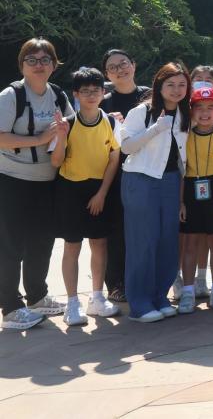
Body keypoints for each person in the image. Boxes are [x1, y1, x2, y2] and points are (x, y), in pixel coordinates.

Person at [0, 38, 74, 329]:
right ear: (22, 65)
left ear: (54, 65)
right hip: (12, 179)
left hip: (47, 179)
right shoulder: (11, 95)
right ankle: (10, 307)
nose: (39, 65)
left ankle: (37, 297)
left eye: (45, 60)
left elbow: (72, 129)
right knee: (11, 245)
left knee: (41, 242)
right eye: (32, 60)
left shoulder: (57, 95)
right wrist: (40, 139)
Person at [117, 62, 190, 323]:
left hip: (171, 181)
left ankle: (160, 296)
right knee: (143, 242)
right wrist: (156, 128)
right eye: (170, 84)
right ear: (159, 85)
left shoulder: (185, 113)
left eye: (182, 84)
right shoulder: (141, 111)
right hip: (141, 180)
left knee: (167, 242)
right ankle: (139, 304)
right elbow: (126, 147)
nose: (176, 89)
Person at [52, 66, 122, 326]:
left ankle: (97, 298)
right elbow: (56, 161)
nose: (91, 95)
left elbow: (114, 158)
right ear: (75, 94)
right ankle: (72, 303)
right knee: (72, 246)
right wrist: (61, 137)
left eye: (96, 90)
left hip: (99, 190)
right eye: (85, 91)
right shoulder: (67, 124)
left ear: (103, 93)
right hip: (70, 189)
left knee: (99, 244)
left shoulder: (111, 122)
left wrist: (102, 193)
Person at [177, 86, 213, 313]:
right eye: (199, 107)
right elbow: (181, 171)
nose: (204, 113)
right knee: (190, 244)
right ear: (191, 110)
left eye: (211, 107)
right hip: (191, 191)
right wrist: (181, 202)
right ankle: (188, 292)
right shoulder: (184, 135)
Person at [99, 49, 150, 301]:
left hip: (148, 171)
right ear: (107, 74)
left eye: (124, 63)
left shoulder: (150, 96)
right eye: (113, 67)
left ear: (134, 64)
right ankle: (116, 282)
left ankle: (142, 279)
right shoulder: (103, 102)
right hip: (115, 174)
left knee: (143, 230)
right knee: (116, 230)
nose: (120, 69)